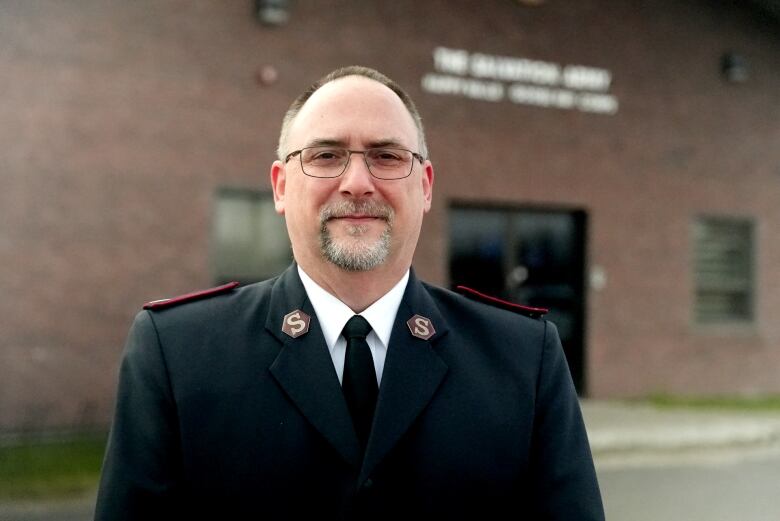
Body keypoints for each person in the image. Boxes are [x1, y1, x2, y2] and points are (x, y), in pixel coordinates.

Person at [95, 66, 605, 520]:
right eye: (325, 155)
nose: (357, 182)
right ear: (280, 186)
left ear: (425, 186)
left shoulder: (522, 357)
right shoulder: (177, 353)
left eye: (386, 155)